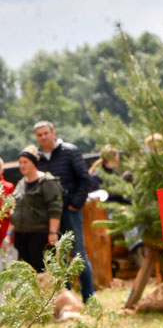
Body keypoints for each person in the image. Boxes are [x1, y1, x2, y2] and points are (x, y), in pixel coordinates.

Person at [33, 120, 94, 301]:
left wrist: (75, 204)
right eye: (39, 135)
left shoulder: (70, 151)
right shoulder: (36, 158)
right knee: (57, 258)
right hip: (50, 215)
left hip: (70, 211)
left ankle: (89, 297)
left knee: (77, 254)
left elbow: (85, 179)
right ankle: (65, 300)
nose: (43, 137)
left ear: (53, 132)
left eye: (46, 133)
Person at [3, 145, 62, 272]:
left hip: (40, 234)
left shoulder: (47, 181)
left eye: (25, 162)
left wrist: (53, 233)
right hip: (21, 236)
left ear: (34, 163)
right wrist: (9, 233)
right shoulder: (21, 183)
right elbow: (15, 209)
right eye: (20, 162)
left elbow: (55, 208)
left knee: (43, 272)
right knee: (26, 274)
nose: (22, 165)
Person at [0, 157, 15, 242]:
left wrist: (9, 232)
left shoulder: (9, 186)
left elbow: (12, 209)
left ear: (2, 170)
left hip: (5, 227)